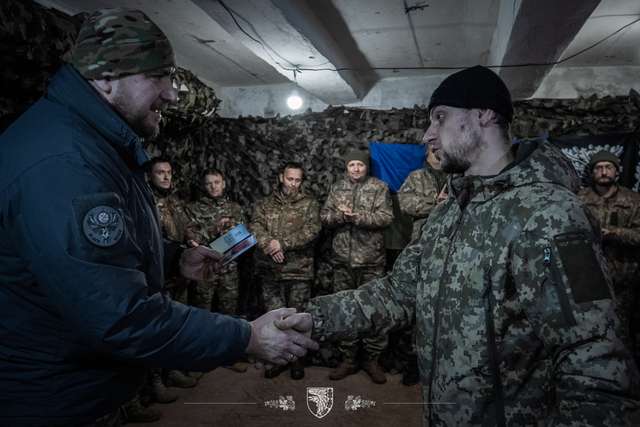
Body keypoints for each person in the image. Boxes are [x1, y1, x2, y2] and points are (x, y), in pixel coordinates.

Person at [0, 9, 317, 427]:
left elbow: (100, 255)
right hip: (52, 402)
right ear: (106, 77)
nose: (172, 94)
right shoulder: (66, 162)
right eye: (159, 76)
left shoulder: (91, 143)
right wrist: (247, 337)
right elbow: (121, 315)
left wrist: (172, 259)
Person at [287, 65, 638, 425]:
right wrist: (311, 318)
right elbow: (398, 293)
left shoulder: (553, 214)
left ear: (484, 114)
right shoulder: (448, 213)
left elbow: (594, 356)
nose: (428, 134)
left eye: (439, 118)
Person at [320, 149, 393, 384]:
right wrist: (341, 217)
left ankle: (372, 359)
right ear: (347, 167)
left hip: (371, 262)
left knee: (374, 312)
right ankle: (348, 359)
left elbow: (386, 217)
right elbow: (324, 216)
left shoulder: (379, 187)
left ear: (366, 167)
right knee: (345, 312)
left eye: (359, 165)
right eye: (351, 164)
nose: (356, 169)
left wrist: (358, 217)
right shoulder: (337, 187)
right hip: (342, 262)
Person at [250, 162, 321, 380]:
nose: (293, 184)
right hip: (271, 269)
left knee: (297, 318)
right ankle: (276, 359)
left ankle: (297, 361)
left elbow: (313, 230)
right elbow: (255, 226)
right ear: (282, 177)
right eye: (290, 179)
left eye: (297, 180)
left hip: (298, 270)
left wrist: (282, 243)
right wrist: (269, 244)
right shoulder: (265, 204)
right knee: (274, 318)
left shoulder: (309, 204)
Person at [578, 151, 640, 359]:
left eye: (608, 167)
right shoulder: (579, 199)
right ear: (592, 172)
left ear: (617, 171)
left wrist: (613, 233)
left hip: (622, 283)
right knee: (589, 335)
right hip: (588, 283)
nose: (603, 172)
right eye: (598, 167)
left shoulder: (633, 200)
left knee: (622, 337)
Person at [186, 169, 246, 316]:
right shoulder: (192, 208)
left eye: (217, 182)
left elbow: (243, 237)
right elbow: (192, 239)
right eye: (209, 183)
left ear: (223, 184)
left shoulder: (235, 209)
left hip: (229, 268)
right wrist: (216, 230)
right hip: (204, 269)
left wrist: (231, 230)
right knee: (201, 313)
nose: (213, 187)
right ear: (203, 186)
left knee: (229, 313)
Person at [398, 144, 448, 241]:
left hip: (450, 234)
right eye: (434, 150)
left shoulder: (455, 176)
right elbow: (404, 204)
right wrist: (435, 203)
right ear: (427, 152)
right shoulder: (416, 176)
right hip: (423, 237)